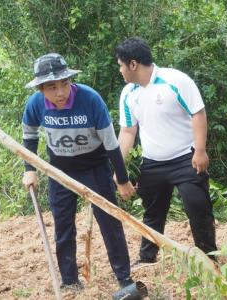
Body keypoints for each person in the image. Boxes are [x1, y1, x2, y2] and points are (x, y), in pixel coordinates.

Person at [21, 53, 136, 289]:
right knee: (63, 226)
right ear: (41, 88)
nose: (60, 92)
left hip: (94, 167)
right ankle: (70, 281)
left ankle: (124, 277)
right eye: (52, 87)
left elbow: (111, 143)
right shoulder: (35, 104)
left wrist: (122, 179)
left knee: (109, 222)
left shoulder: (90, 99)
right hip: (60, 170)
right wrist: (29, 169)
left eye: (64, 84)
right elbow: (29, 135)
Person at [115, 37, 217, 265]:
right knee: (152, 212)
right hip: (153, 163)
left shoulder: (175, 80)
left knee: (198, 208)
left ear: (133, 64)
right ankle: (146, 258)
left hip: (186, 159)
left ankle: (210, 259)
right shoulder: (128, 94)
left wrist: (200, 151)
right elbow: (128, 132)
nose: (120, 70)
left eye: (121, 65)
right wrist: (118, 167)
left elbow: (198, 114)